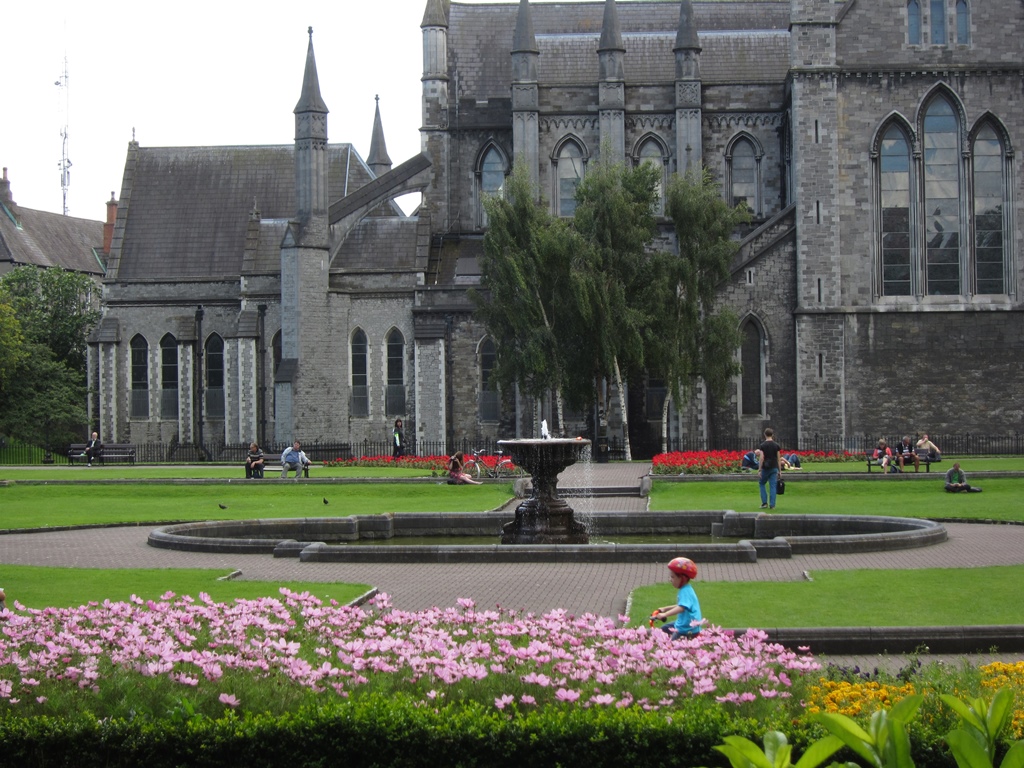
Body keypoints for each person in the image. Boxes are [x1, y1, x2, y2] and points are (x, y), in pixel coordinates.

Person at [651, 557, 702, 639]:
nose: (670, 580)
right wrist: (665, 609)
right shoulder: (686, 589)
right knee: (663, 629)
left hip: (687, 629)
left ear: (683, 578)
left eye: (673, 577)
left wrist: (665, 614)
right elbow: (681, 605)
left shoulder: (685, 591)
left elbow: (681, 608)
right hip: (684, 624)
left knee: (672, 645)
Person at [758, 428, 782, 509]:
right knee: (773, 486)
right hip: (774, 467)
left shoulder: (763, 445)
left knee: (762, 483)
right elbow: (779, 459)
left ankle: (764, 503)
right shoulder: (776, 445)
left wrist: (759, 469)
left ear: (764, 434)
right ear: (772, 435)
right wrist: (780, 470)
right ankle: (772, 505)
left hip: (766, 467)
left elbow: (761, 458)